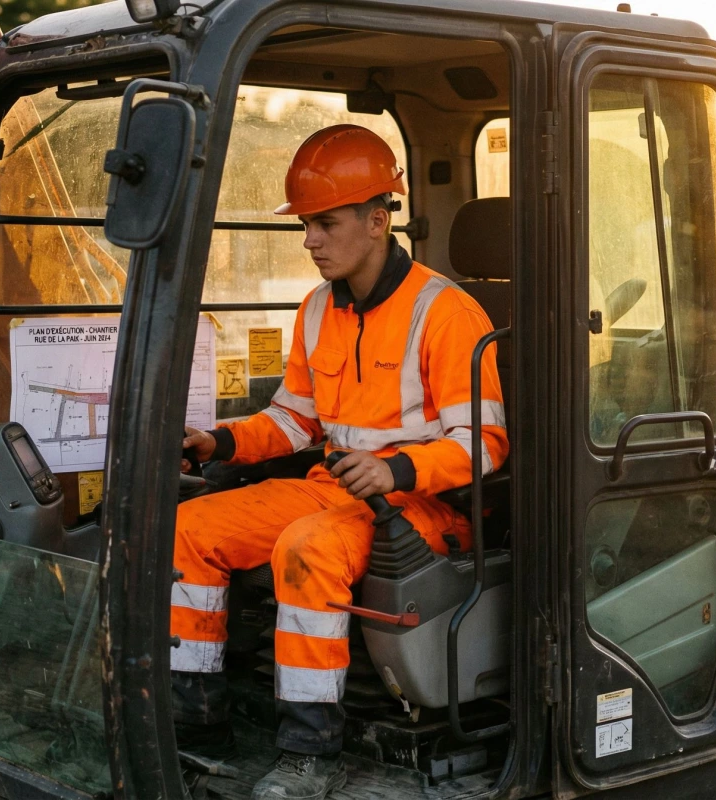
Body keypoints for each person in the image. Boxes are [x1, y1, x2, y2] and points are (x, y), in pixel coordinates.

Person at [171, 124, 508, 800]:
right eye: (306, 225)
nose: (310, 240)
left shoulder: (447, 314)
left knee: (308, 548)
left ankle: (308, 753)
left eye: (324, 223)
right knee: (190, 529)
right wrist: (222, 442)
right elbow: (296, 418)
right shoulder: (319, 309)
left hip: (424, 509)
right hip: (335, 493)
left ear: (378, 220)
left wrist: (396, 472)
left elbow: (487, 444)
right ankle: (196, 725)